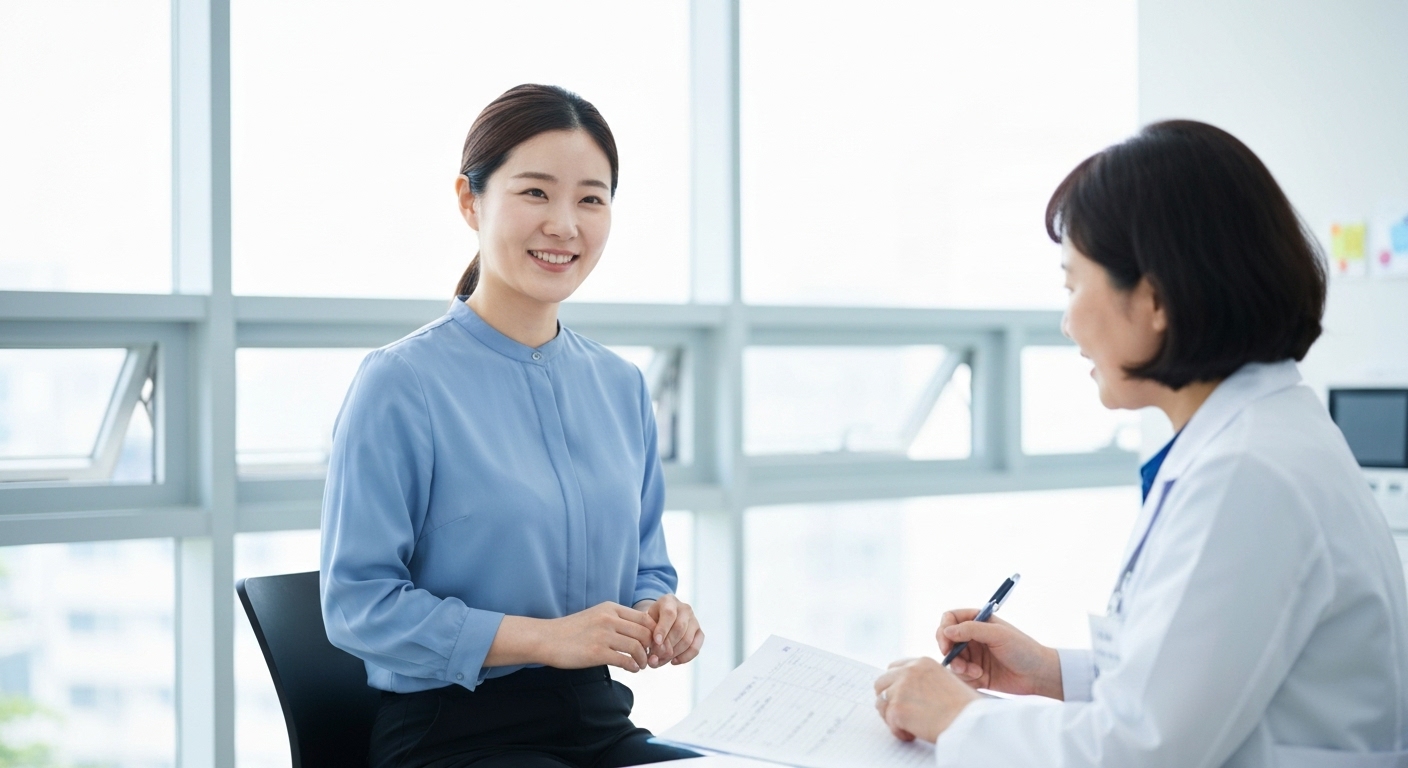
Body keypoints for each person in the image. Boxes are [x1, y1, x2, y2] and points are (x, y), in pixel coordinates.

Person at [873, 120, 1408, 766]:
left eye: (1073, 285)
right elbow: (1201, 678)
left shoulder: (1248, 474)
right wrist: (1049, 671)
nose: (1067, 323)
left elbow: (1139, 753)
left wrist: (958, 718)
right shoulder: (1260, 438)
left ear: (1154, 298)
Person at [320, 84, 703, 768]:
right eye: (535, 193)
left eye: (591, 199)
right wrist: (545, 639)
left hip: (599, 723)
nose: (564, 224)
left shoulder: (620, 386)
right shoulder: (402, 382)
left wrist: (658, 611)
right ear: (470, 201)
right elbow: (358, 604)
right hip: (454, 735)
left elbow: (648, 563)